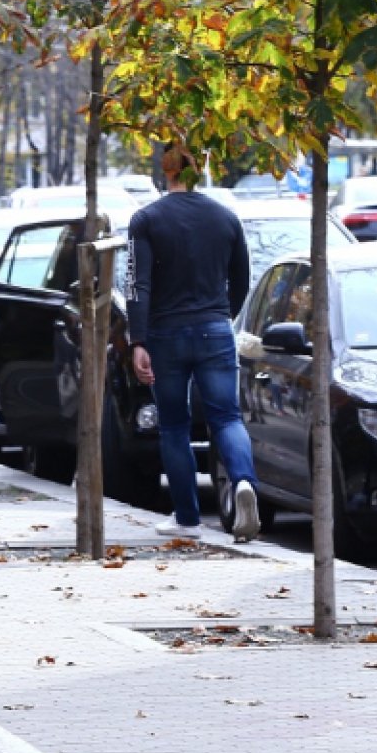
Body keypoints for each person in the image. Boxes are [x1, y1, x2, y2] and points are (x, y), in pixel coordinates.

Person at [127, 140, 259, 542]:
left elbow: (138, 284)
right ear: (196, 170)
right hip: (215, 327)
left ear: (164, 172)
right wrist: (223, 315)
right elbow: (242, 280)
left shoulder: (146, 220)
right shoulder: (225, 218)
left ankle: (187, 517)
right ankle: (242, 481)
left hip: (166, 334)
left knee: (174, 426)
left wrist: (138, 339)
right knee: (227, 417)